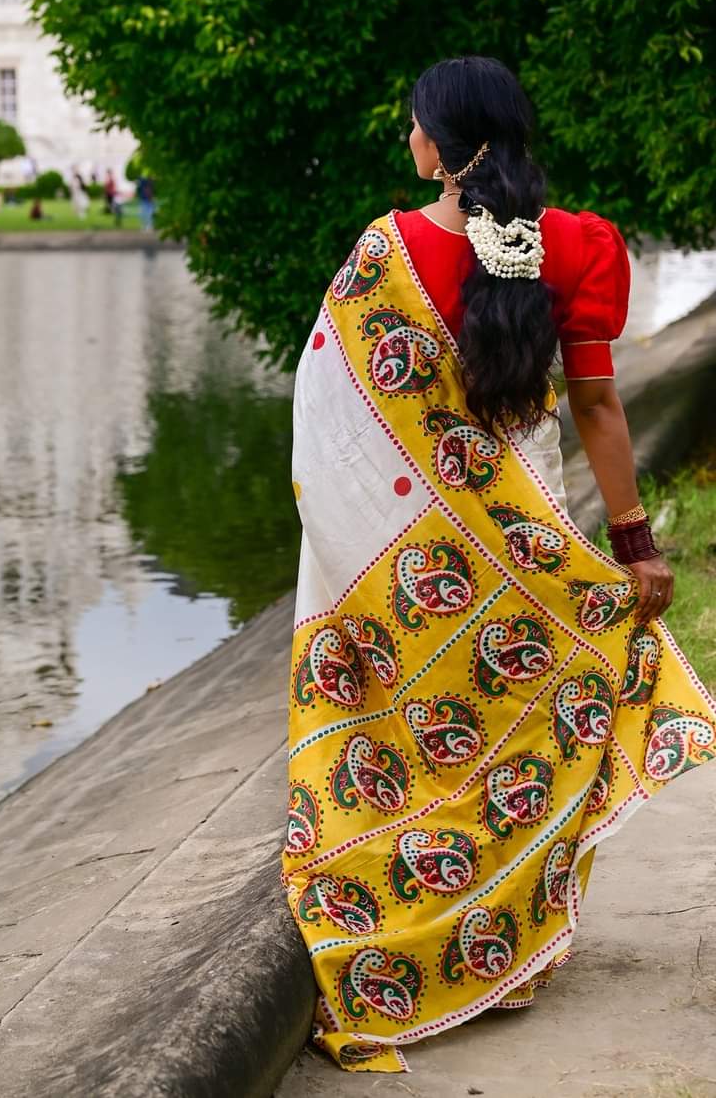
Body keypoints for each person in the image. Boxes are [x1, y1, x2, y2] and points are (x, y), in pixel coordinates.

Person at [281, 55, 716, 1076]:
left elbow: (326, 423)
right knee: (526, 733)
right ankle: (507, 955)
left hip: (416, 569)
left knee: (429, 752)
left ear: (443, 138)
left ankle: (425, 950)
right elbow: (599, 406)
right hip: (530, 553)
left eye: (412, 124)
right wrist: (634, 543)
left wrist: (360, 555)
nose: (405, 141)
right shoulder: (582, 244)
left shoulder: (383, 250)